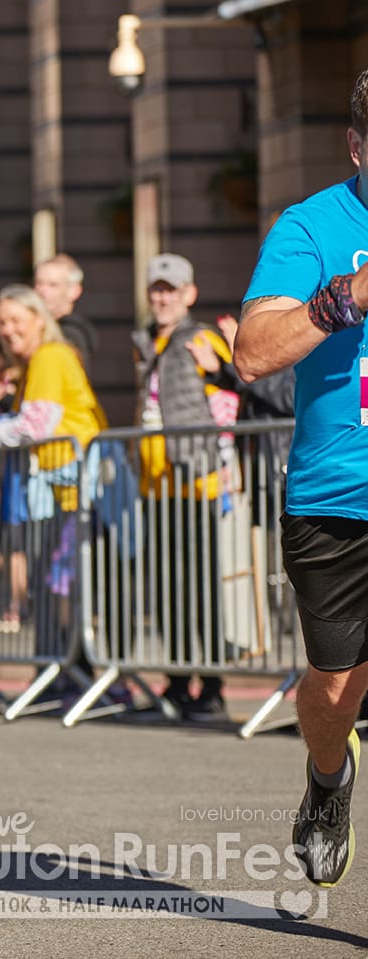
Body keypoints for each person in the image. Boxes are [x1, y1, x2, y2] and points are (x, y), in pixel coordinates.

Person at [232, 67, 368, 889]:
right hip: (335, 496)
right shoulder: (311, 226)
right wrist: (345, 296)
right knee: (334, 687)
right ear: (356, 146)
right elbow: (251, 353)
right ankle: (327, 776)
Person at [0, 285, 106, 673]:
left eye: (16, 320)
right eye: (2, 322)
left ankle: (72, 675)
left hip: (69, 490)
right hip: (56, 489)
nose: (7, 330)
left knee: (61, 586)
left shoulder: (50, 356)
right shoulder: (35, 363)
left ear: (40, 320)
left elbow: (35, 426)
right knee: (52, 586)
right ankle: (58, 672)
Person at [130, 252, 240, 722]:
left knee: (201, 585)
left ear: (189, 294)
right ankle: (176, 683)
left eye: (170, 290)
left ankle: (211, 686)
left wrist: (226, 460)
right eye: (156, 290)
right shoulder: (147, 340)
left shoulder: (201, 337)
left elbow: (231, 397)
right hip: (157, 483)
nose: (162, 298)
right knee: (166, 586)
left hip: (197, 480)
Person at [33, 253, 99, 377]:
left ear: (74, 291)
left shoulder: (71, 334)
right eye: (39, 283)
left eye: (53, 285)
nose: (42, 291)